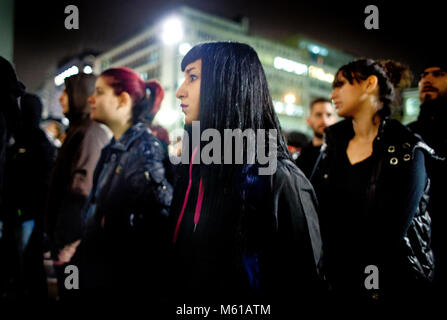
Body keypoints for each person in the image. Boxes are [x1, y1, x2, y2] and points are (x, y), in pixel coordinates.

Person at [171, 42, 323, 312]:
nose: (180, 91)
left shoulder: (278, 178)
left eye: (193, 77)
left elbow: (304, 285)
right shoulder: (195, 166)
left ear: (228, 84)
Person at [311, 58, 435, 305]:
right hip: (333, 283)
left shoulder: (406, 149)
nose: (333, 93)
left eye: (341, 84)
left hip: (392, 288)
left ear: (369, 84)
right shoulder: (332, 146)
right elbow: (312, 207)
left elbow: (387, 237)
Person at [76, 67, 173, 305]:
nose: (91, 99)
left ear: (123, 100)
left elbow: (157, 226)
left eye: (99, 92)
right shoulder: (118, 146)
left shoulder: (143, 150)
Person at [44, 72, 111, 300]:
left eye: (67, 92)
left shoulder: (89, 134)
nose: (62, 98)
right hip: (65, 236)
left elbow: (80, 190)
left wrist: (68, 239)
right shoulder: (78, 130)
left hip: (71, 241)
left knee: (71, 292)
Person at [2, 93, 56, 300]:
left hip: (27, 212)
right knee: (21, 258)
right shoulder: (18, 138)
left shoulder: (35, 141)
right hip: (19, 210)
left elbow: (39, 180)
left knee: (27, 259)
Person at [407, 61, 447, 297]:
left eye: (438, 74)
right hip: (419, 245)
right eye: (423, 75)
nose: (427, 79)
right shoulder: (409, 133)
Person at [296, 97, 337, 178]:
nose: (324, 120)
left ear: (335, 120)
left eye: (329, 115)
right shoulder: (302, 154)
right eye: (318, 115)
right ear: (309, 121)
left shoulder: (341, 152)